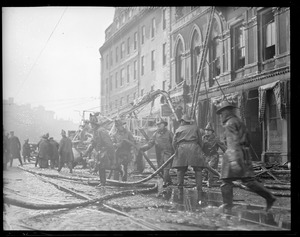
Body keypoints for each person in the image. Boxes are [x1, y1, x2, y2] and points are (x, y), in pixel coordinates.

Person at [216, 100, 276, 213]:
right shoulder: (238, 121)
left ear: (227, 112)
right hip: (244, 153)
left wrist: (234, 161)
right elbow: (247, 139)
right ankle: (269, 197)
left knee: (226, 181)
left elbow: (233, 142)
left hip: (234, 154)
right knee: (248, 181)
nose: (221, 116)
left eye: (222, 113)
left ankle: (227, 206)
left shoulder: (230, 124)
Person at [172, 114, 206, 205]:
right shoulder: (195, 128)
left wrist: (177, 151)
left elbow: (174, 143)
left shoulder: (178, 129)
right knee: (198, 170)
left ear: (183, 121)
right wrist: (200, 150)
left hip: (182, 149)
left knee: (180, 170)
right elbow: (200, 141)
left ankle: (180, 189)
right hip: (194, 148)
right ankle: (199, 189)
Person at [84, 113, 116, 187]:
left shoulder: (101, 131)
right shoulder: (95, 132)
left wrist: (109, 154)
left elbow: (109, 143)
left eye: (92, 124)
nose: (91, 125)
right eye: (91, 124)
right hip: (99, 152)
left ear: (95, 124)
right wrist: (87, 152)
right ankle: (102, 183)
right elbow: (93, 143)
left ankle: (103, 183)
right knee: (100, 167)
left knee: (103, 167)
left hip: (105, 151)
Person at [140, 118, 174, 187]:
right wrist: (143, 148)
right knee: (161, 169)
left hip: (168, 153)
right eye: (157, 124)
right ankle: (169, 181)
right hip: (159, 154)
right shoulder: (155, 134)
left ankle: (165, 182)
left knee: (166, 167)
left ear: (164, 125)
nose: (158, 125)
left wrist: (175, 153)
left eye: (160, 124)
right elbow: (150, 143)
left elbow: (174, 143)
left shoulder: (169, 133)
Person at [202, 122, 226, 187]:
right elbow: (200, 147)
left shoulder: (216, 138)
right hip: (206, 155)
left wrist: (227, 153)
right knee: (204, 168)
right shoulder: (203, 138)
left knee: (211, 167)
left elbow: (223, 146)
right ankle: (205, 179)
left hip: (213, 155)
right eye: (206, 130)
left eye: (209, 131)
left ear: (212, 132)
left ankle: (210, 181)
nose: (207, 132)